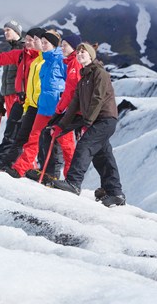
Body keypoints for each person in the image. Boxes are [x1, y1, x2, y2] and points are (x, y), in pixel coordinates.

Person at [50, 42, 126, 207]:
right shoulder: (83, 78)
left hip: (105, 119)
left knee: (84, 146)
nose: (79, 54)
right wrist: (60, 125)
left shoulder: (100, 74)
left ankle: (73, 183)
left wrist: (87, 122)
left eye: (83, 51)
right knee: (103, 157)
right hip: (95, 120)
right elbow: (73, 106)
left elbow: (97, 98)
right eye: (78, 52)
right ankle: (115, 193)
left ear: (91, 55)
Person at [5, 30, 67, 178]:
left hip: (58, 109)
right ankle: (20, 169)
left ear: (54, 44)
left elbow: (70, 84)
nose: (43, 45)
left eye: (45, 43)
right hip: (42, 107)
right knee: (34, 139)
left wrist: (65, 104)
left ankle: (63, 178)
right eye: (42, 42)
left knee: (63, 144)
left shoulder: (62, 61)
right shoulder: (42, 62)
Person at [0, 27, 44, 170]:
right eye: (27, 39)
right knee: (11, 133)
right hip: (21, 99)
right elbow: (5, 58)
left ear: (40, 41)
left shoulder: (42, 59)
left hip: (34, 103)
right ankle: (0, 163)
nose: (28, 43)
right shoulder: (23, 54)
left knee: (27, 137)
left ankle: (26, 167)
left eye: (32, 40)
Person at [36, 31, 82, 180]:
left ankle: (70, 179)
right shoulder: (48, 62)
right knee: (45, 140)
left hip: (63, 110)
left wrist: (66, 107)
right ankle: (48, 174)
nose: (63, 48)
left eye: (65, 45)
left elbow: (72, 87)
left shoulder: (66, 62)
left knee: (66, 145)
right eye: (62, 45)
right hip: (49, 108)